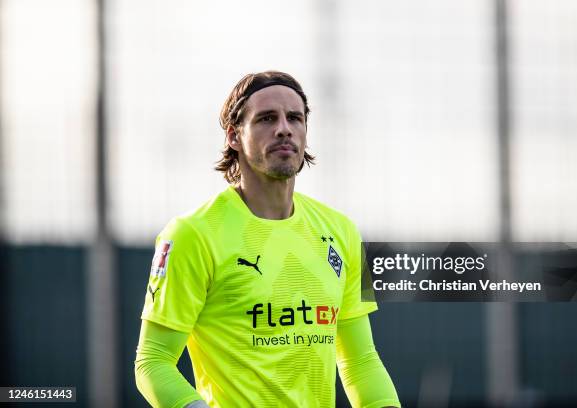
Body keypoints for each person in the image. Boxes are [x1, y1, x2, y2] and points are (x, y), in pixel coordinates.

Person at [134, 71, 400, 408]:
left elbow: (361, 362)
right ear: (234, 136)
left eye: (295, 118)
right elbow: (153, 363)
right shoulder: (192, 234)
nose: (284, 128)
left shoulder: (342, 231)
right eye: (266, 119)